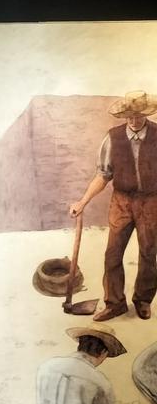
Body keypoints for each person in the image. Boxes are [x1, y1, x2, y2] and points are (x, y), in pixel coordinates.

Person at [69, 90, 157, 322]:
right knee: (112, 253)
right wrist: (83, 201)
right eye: (130, 116)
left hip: (151, 202)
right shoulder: (113, 137)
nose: (134, 121)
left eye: (138, 116)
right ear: (124, 116)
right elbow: (103, 175)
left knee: (149, 253)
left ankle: (143, 299)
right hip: (121, 202)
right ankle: (115, 303)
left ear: (145, 115)